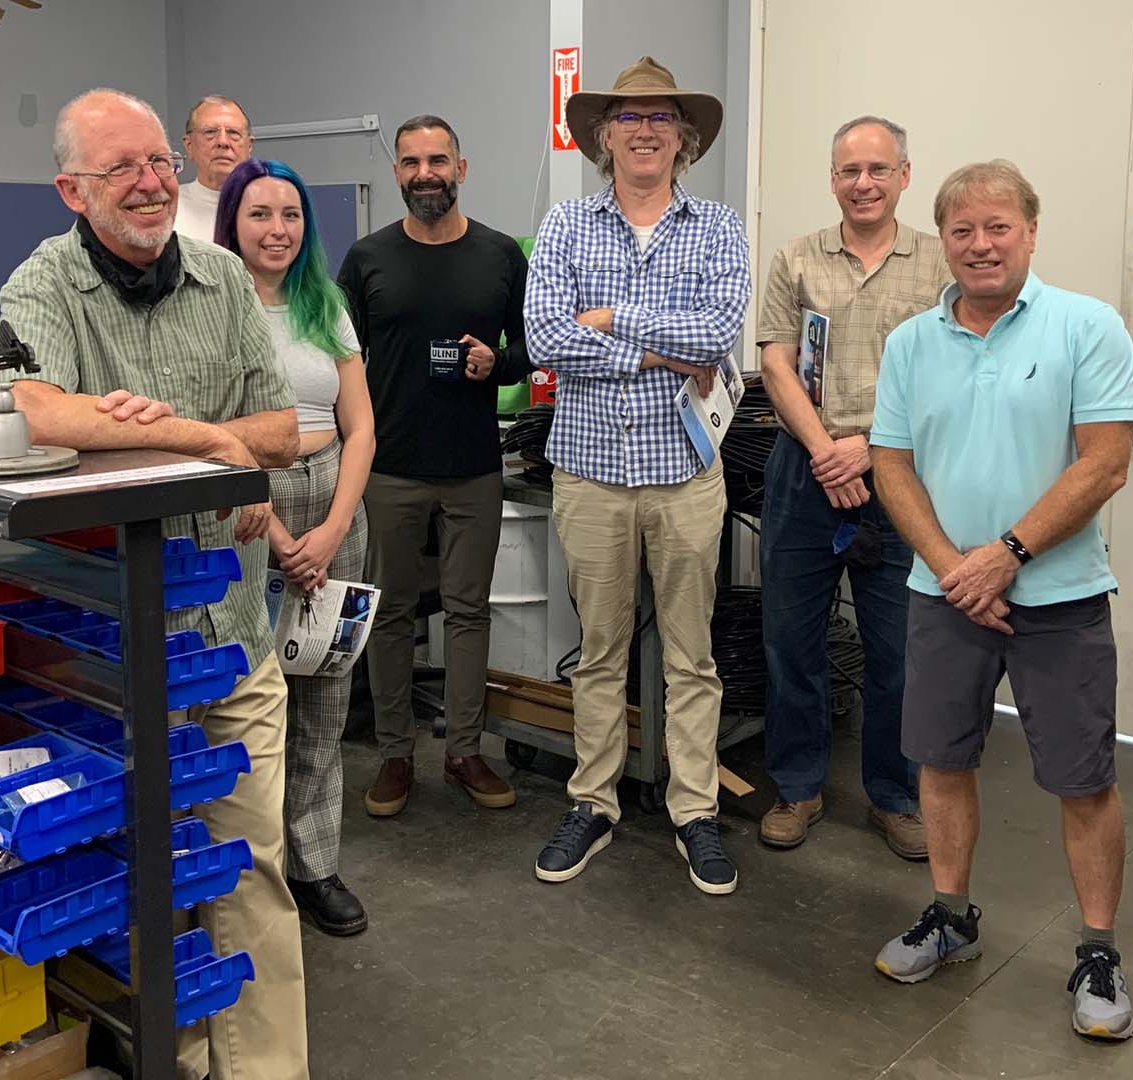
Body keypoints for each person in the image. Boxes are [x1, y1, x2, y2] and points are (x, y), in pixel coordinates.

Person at [0, 88, 308, 1080]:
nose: (149, 182)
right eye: (120, 168)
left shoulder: (220, 278)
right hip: (113, 653)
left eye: (158, 164)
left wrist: (149, 427)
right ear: (70, 190)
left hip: (229, 636)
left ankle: (263, 1071)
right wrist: (203, 438)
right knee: (147, 880)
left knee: (252, 867)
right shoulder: (40, 286)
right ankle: (173, 1062)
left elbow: (282, 434)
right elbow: (37, 414)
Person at [866, 160, 1133, 1041]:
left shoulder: (1087, 326)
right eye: (961, 231)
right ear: (941, 240)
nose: (979, 245)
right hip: (943, 594)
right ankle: (950, 915)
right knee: (941, 764)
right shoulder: (911, 342)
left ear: (1030, 231)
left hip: (1058, 596)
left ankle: (1098, 950)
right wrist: (955, 567)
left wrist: (1007, 555)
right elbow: (890, 463)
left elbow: (1105, 462)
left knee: (1083, 778)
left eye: (997, 228)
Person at [524, 56, 749, 895]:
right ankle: (595, 801)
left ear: (683, 137)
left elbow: (720, 329)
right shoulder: (564, 226)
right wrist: (664, 348)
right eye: (628, 117)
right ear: (602, 137)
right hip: (587, 472)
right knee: (599, 653)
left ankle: (695, 811)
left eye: (661, 117)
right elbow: (546, 338)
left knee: (693, 657)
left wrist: (614, 317)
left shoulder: (718, 226)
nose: (645, 129)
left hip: (686, 475)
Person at [753, 116, 949, 858]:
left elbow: (950, 371)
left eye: (876, 169)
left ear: (904, 174)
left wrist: (865, 449)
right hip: (802, 470)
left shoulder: (938, 265)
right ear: (832, 179)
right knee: (789, 641)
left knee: (900, 647)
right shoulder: (796, 258)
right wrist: (825, 450)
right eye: (847, 171)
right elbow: (774, 361)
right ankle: (798, 787)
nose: (861, 184)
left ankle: (895, 797)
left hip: (901, 471)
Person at [338, 115, 534, 818]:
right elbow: (341, 362)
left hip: (474, 465)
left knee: (468, 612)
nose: (426, 173)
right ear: (396, 172)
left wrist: (496, 362)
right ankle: (395, 756)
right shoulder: (366, 259)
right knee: (390, 613)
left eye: (439, 160)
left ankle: (464, 752)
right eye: (412, 161)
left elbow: (528, 348)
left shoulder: (500, 254)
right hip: (388, 466)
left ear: (461, 167)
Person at [214, 157, 376, 937]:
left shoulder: (326, 303)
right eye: (259, 214)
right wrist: (280, 537)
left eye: (291, 215)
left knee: (325, 696)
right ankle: (256, 868)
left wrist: (336, 526)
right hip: (250, 510)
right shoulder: (211, 305)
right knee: (254, 697)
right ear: (233, 224)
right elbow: (212, 429)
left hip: (334, 501)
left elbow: (362, 426)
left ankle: (316, 864)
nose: (277, 229)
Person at [176, 94, 253, 242]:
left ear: (249, 146)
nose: (223, 142)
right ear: (189, 146)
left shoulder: (269, 205)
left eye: (233, 133)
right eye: (210, 132)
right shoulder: (167, 208)